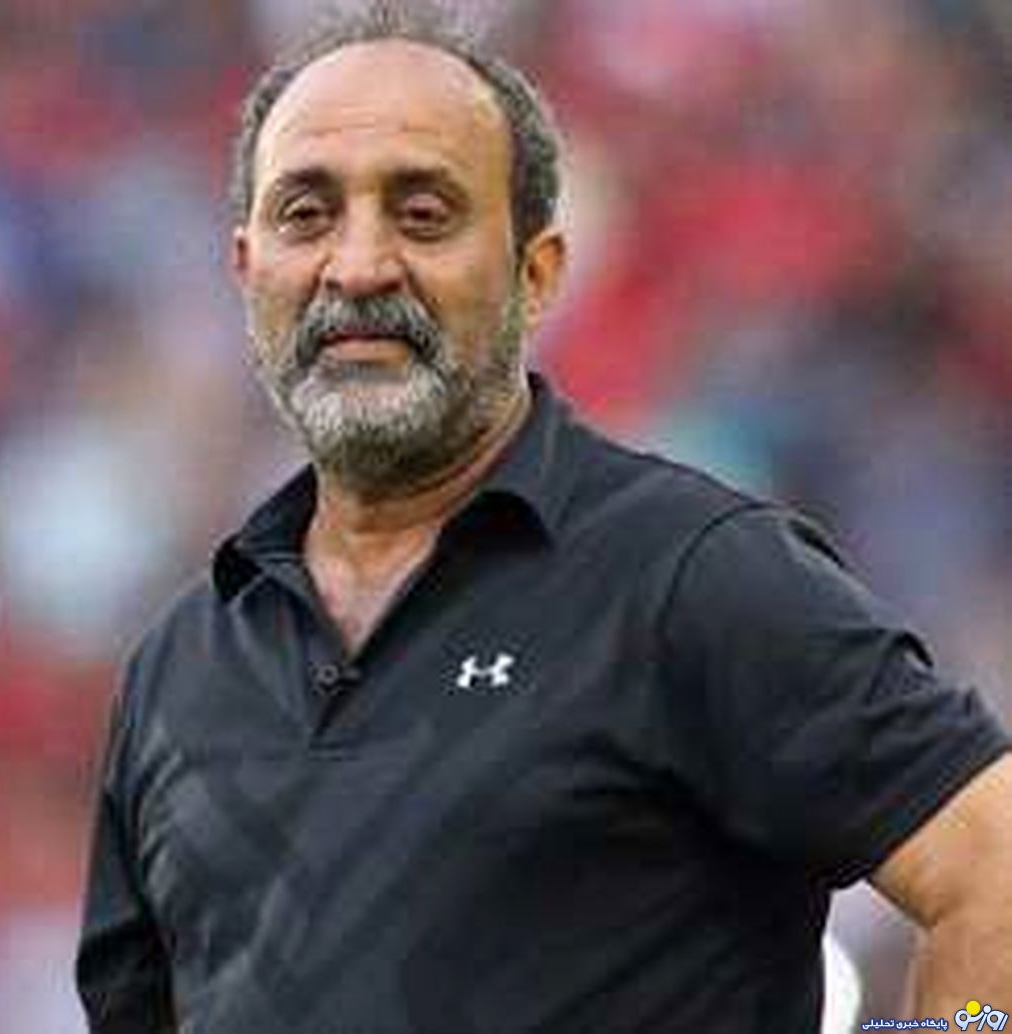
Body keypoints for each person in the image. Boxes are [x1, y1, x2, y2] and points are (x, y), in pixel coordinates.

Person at [74, 4, 1012, 1031]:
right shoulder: (178, 666)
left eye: (423, 214)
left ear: (537, 272)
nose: (358, 264)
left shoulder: (690, 577)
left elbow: (995, 868)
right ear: (248, 269)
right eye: (306, 215)